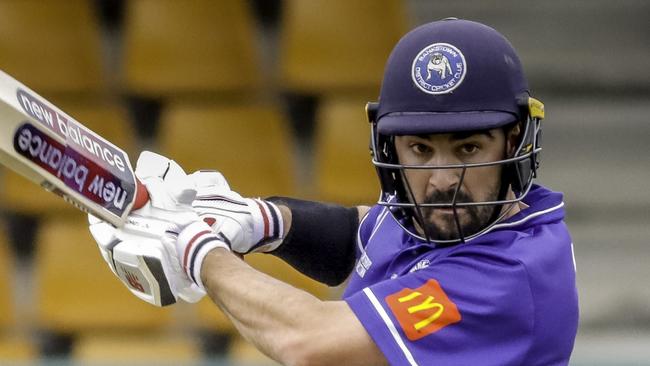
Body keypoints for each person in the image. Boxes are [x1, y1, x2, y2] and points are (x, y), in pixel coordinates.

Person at [89, 19, 578, 365]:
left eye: (468, 148)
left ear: (514, 141)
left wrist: (199, 252)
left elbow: (311, 344)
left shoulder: (509, 277)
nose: (442, 179)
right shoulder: (441, 219)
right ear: (392, 147)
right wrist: (261, 220)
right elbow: (360, 237)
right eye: (420, 149)